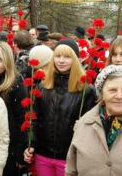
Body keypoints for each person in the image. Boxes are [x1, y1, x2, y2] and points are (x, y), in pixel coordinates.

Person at [24, 41, 97, 176]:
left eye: (67, 57)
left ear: (75, 60)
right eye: (57, 56)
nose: (61, 61)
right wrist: (31, 144)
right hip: (43, 155)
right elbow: (34, 119)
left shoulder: (86, 90)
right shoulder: (43, 86)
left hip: (69, 158)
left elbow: (92, 127)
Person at [0, 42, 28, 175]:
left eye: (0, 60)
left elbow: (22, 120)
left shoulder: (15, 84)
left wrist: (19, 153)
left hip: (8, 146)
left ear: (8, 62)